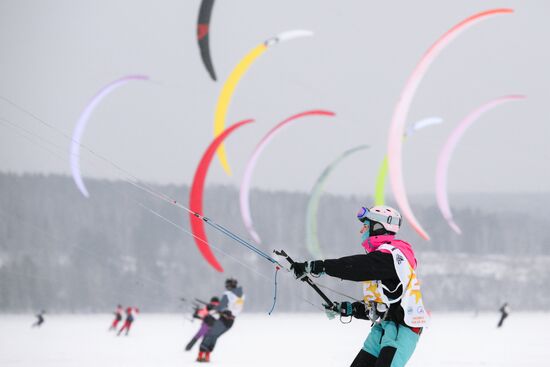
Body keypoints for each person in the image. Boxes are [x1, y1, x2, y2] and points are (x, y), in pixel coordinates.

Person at [292, 205, 429, 367]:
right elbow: (382, 305)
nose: (361, 231)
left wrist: (320, 266)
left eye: (365, 226)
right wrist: (349, 308)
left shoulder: (392, 256)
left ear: (378, 227)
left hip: (402, 330)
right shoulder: (381, 257)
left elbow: (357, 267)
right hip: (384, 327)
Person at [196, 278, 245, 363]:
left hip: (224, 320)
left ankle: (201, 356)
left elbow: (222, 306)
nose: (226, 287)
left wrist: (212, 307)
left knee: (209, 334)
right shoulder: (241, 295)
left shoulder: (228, 294)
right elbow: (232, 308)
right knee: (214, 336)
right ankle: (207, 356)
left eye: (227, 285)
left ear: (230, 285)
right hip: (230, 322)